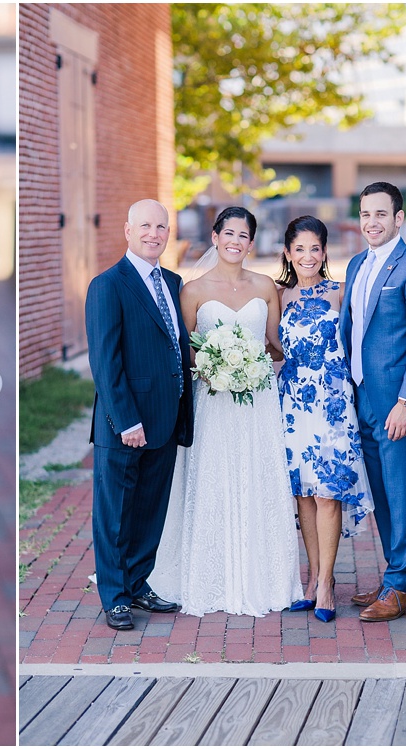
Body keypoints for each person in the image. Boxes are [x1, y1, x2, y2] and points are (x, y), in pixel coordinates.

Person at [150, 206, 302, 617]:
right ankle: (210, 576)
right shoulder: (192, 291)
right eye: (228, 233)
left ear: (252, 244)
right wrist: (216, 366)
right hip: (213, 402)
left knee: (259, 479)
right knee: (214, 480)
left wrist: (253, 363)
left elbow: (274, 346)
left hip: (258, 401)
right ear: (215, 237)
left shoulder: (266, 286)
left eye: (244, 236)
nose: (236, 242)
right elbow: (184, 352)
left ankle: (264, 577)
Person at [85, 199, 193, 632]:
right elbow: (106, 362)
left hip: (166, 418)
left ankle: (138, 582)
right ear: (127, 230)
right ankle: (114, 596)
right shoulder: (107, 285)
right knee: (115, 513)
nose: (154, 233)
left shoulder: (172, 279)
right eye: (145, 225)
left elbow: (175, 345)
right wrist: (126, 420)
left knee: (151, 508)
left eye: (161, 226)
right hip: (125, 424)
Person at [341, 182, 406, 622]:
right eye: (365, 215)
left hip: (398, 404)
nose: (372, 223)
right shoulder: (358, 263)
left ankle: (399, 586)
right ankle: (401, 576)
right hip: (361, 398)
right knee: (380, 493)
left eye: (380, 214)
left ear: (398, 218)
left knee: (400, 493)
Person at [275, 215, 374, 623]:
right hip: (295, 405)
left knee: (327, 494)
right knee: (302, 496)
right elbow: (271, 348)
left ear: (325, 251)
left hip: (332, 405)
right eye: (299, 249)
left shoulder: (341, 292)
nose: (308, 256)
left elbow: (362, 340)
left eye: (315, 248)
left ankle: (329, 583)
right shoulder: (278, 297)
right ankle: (312, 579)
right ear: (287, 253)